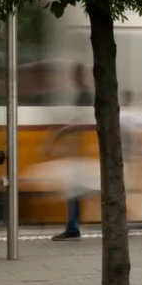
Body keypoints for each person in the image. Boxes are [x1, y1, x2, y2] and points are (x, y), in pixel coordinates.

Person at [51, 63, 93, 240]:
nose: (72, 79)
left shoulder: (86, 96)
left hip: (85, 154)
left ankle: (73, 227)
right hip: (82, 153)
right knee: (75, 189)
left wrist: (63, 132)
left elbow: (84, 122)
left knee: (76, 189)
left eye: (75, 76)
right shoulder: (82, 96)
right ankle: (72, 226)